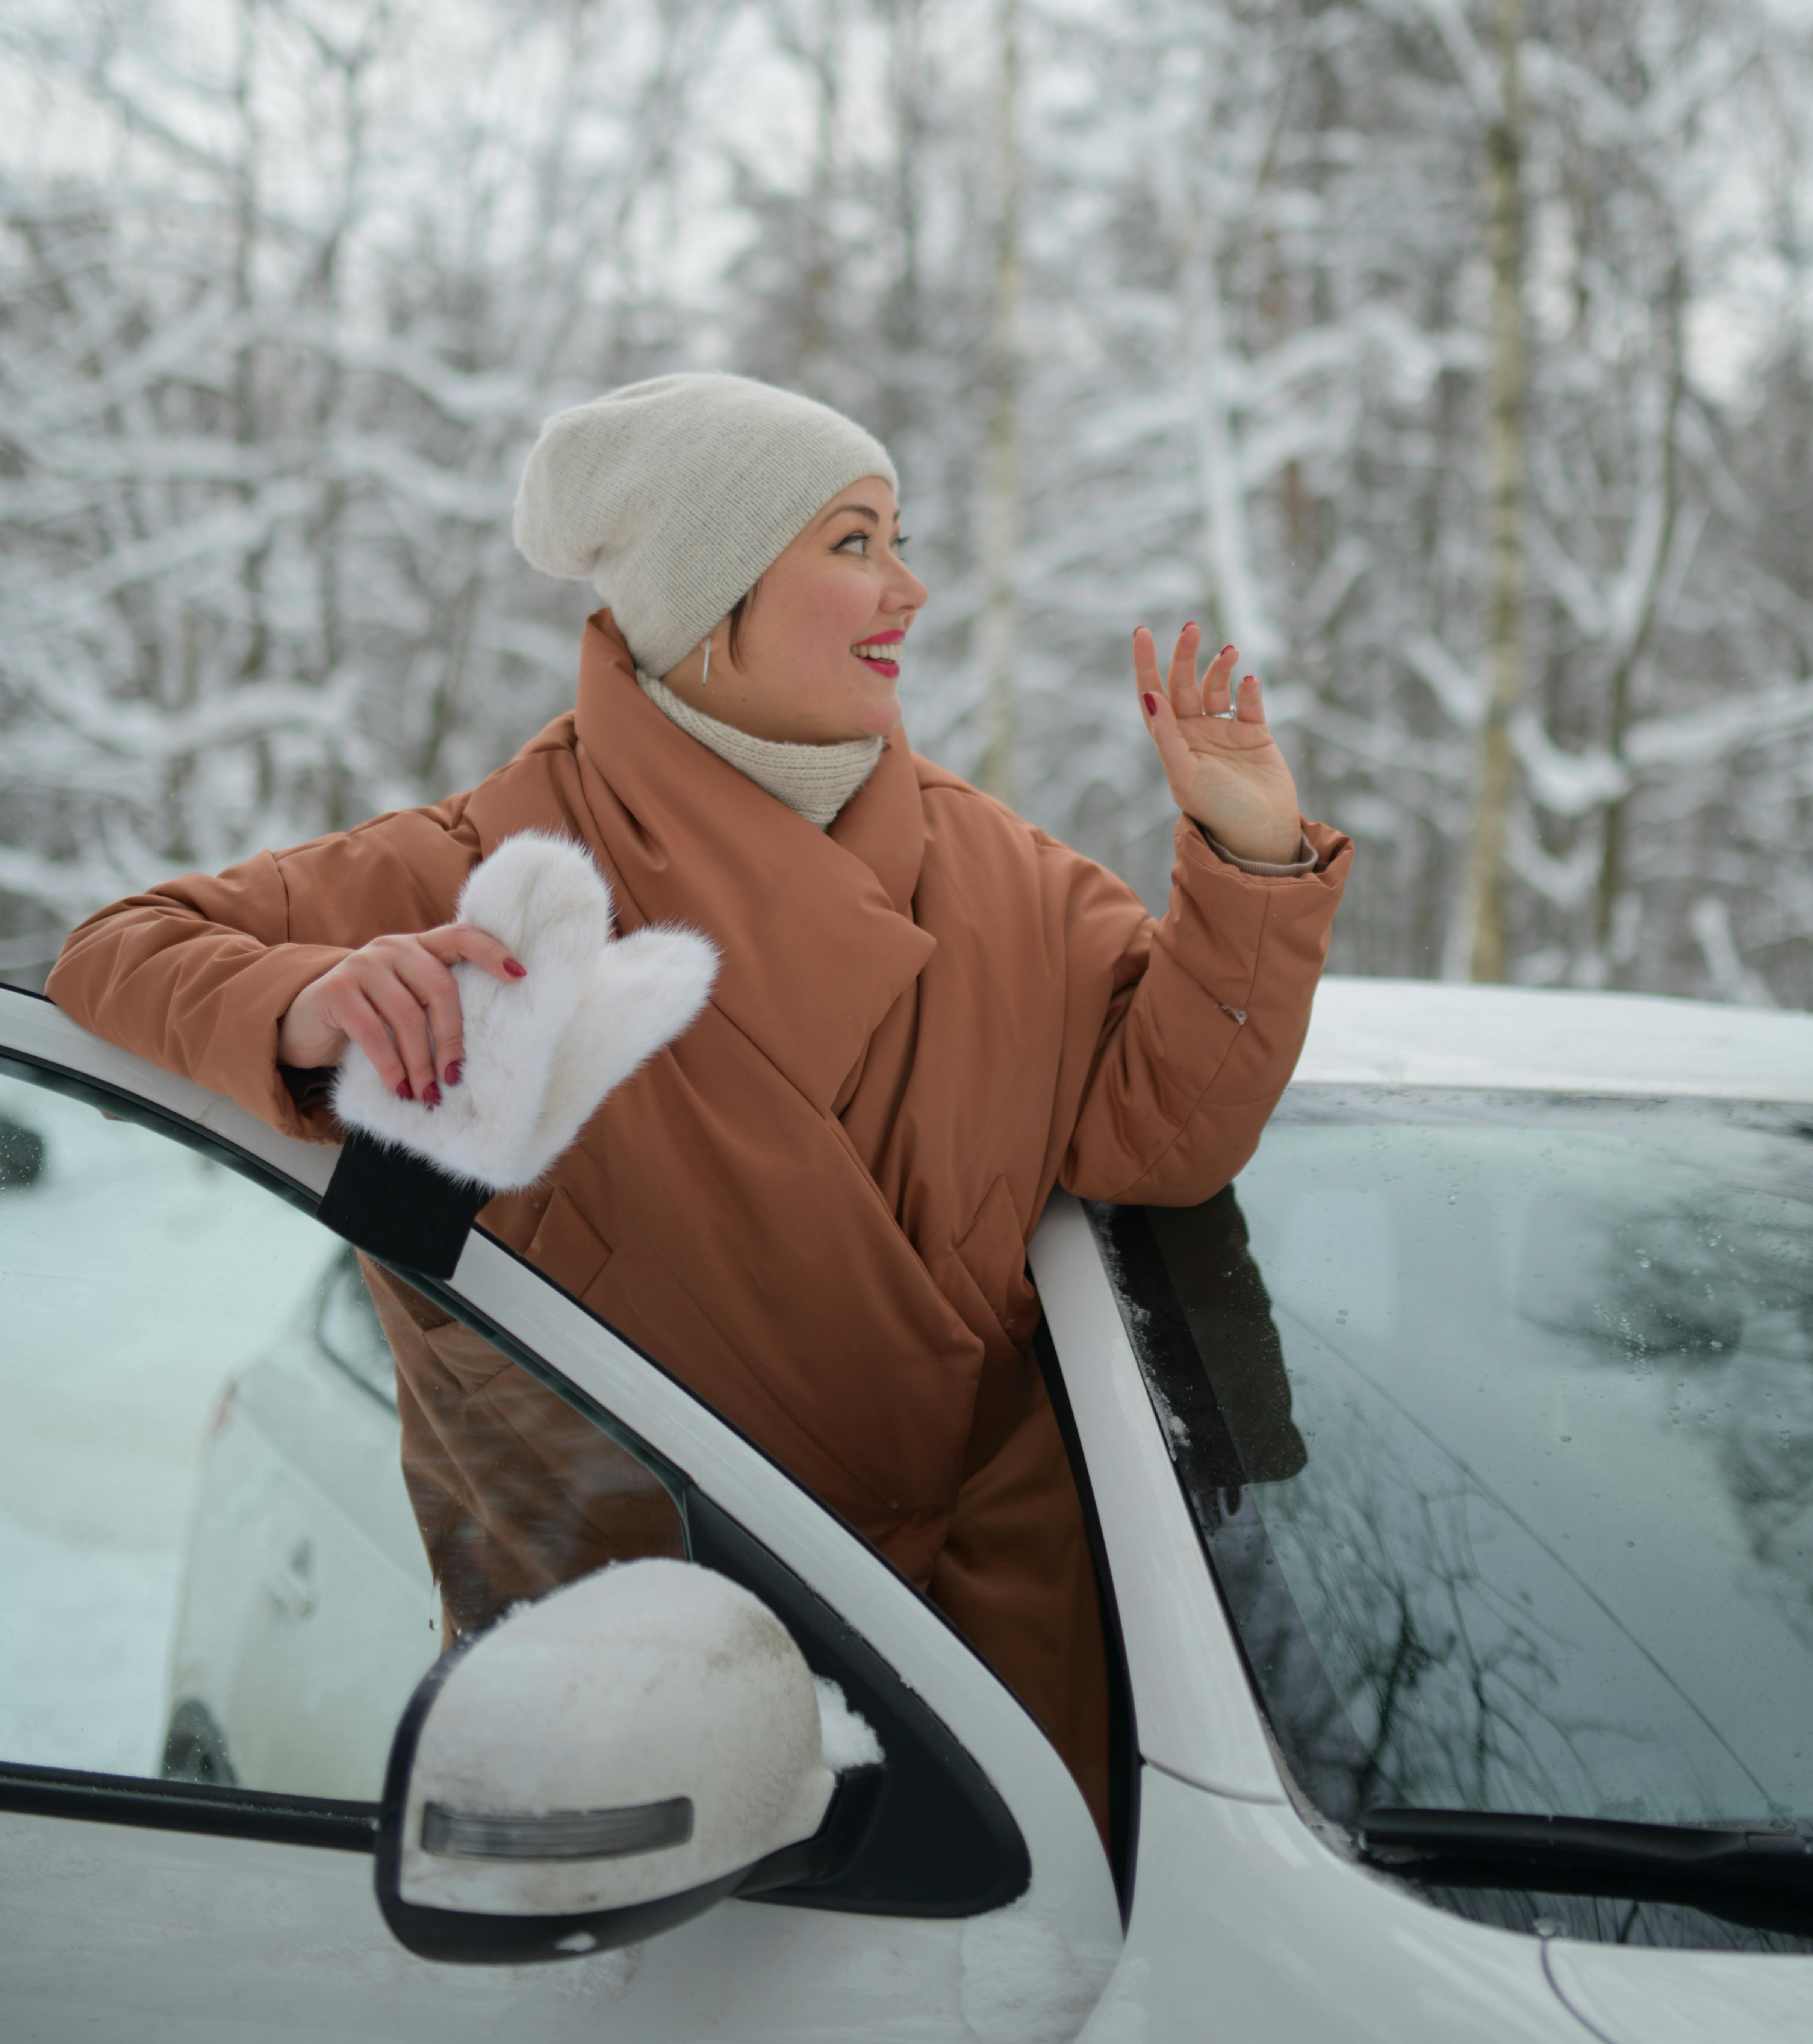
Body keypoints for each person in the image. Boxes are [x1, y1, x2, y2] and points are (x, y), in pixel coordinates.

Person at [48, 373, 1350, 1838]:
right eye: (855, 541)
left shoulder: (1011, 885)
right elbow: (115, 949)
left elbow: (1162, 1138)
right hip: (633, 1739)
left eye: (900, 539)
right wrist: (306, 1003)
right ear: (709, 584)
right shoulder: (484, 870)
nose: (908, 588)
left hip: (1007, 1721)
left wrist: (1250, 863)